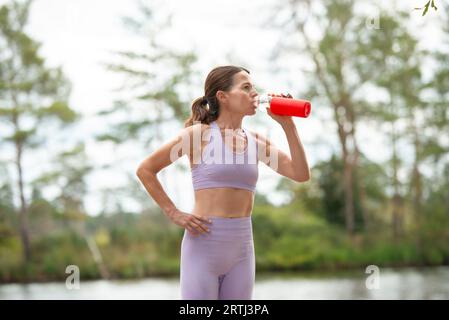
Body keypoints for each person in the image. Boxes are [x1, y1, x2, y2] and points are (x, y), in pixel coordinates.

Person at [136, 65, 310, 300]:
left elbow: (300, 173)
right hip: (204, 246)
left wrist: (288, 125)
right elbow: (146, 169)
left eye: (254, 87)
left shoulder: (256, 141)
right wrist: (174, 213)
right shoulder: (198, 135)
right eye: (246, 87)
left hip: (242, 248)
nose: (254, 93)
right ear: (223, 96)